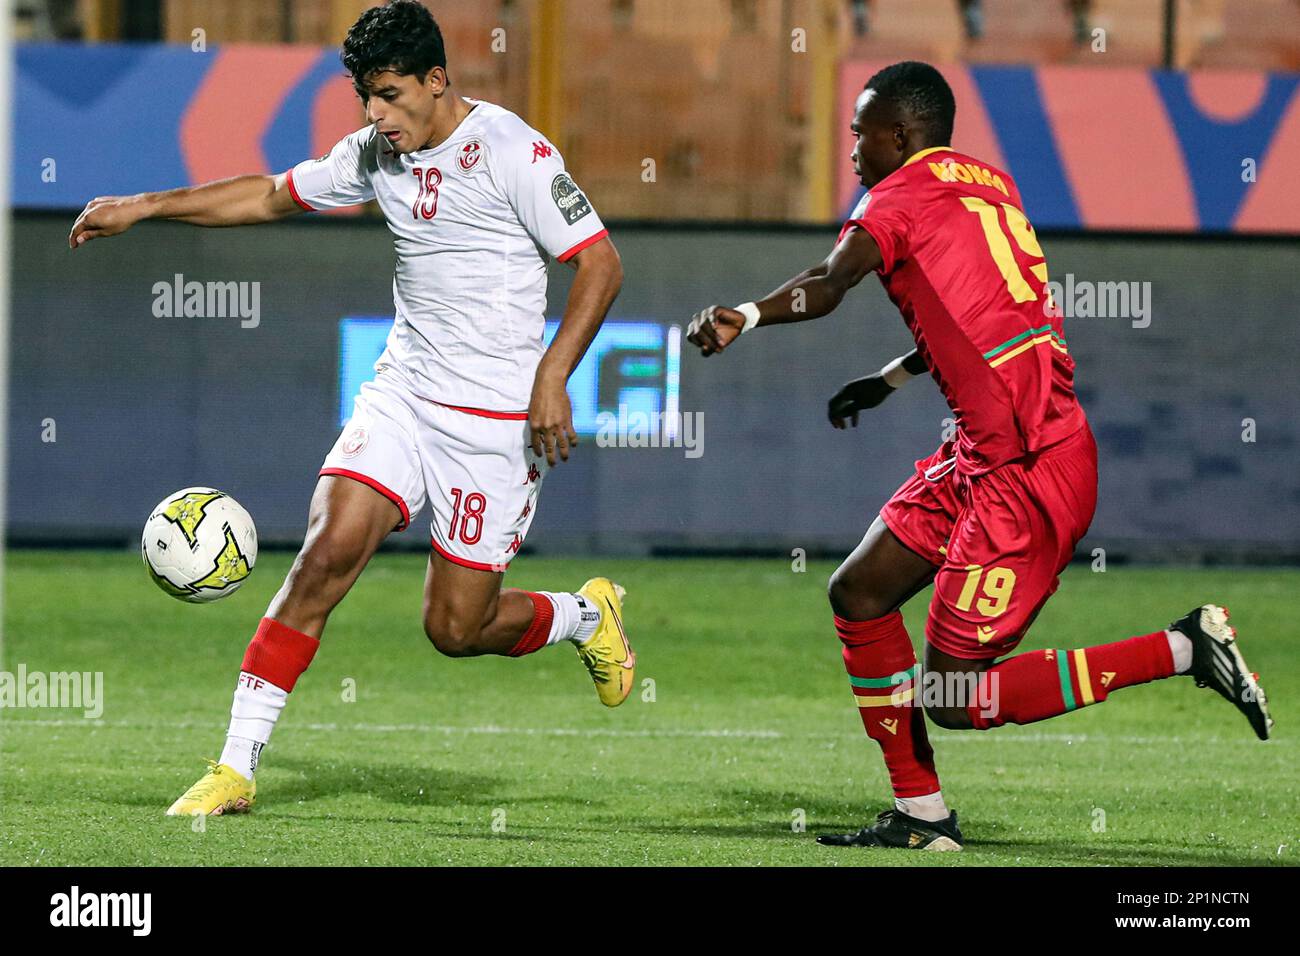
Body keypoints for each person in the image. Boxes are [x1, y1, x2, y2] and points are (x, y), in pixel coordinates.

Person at [686, 60, 1272, 851]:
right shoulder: (989, 185)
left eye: (861, 132)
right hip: (984, 455)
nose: (853, 148)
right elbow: (986, 312)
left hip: (1030, 473)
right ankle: (923, 816)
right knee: (859, 592)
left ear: (900, 134)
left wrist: (744, 316)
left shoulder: (895, 197)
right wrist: (892, 377)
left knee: (953, 695)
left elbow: (829, 283)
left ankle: (1181, 647)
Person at [70, 0, 635, 817]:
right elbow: (268, 194)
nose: (375, 114)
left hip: (493, 425)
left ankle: (587, 616)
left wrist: (554, 377)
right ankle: (235, 768)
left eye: (391, 94)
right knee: (324, 553)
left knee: (456, 629)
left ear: (437, 81)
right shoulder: (375, 152)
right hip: (403, 395)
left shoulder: (513, 150)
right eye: (365, 95)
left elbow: (602, 266)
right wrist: (146, 205)